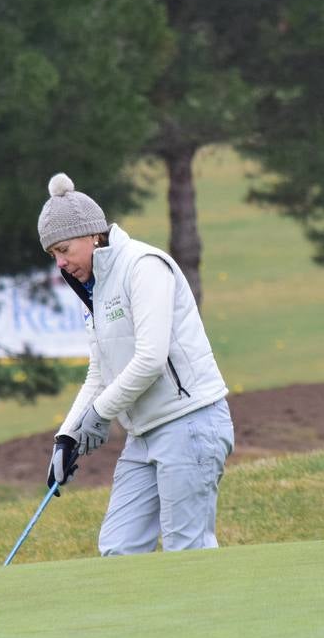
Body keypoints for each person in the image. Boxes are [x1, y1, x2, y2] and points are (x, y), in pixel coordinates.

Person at [39, 172, 234, 554]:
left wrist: (100, 413)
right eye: (53, 256)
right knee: (118, 548)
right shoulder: (94, 288)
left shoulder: (142, 266)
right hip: (143, 434)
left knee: (187, 550)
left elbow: (150, 359)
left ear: (92, 234)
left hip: (190, 422)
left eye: (64, 250)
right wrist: (68, 436)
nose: (61, 264)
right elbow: (100, 371)